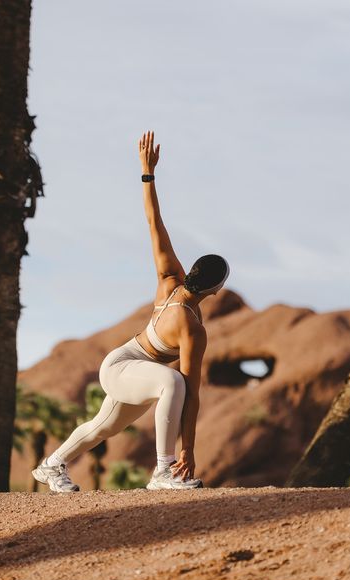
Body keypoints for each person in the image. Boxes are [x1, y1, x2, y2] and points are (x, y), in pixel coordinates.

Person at [32, 131, 230, 492]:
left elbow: (155, 223)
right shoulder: (192, 327)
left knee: (103, 426)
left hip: (131, 367)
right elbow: (191, 391)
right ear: (216, 290)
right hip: (124, 365)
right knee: (172, 382)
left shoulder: (171, 279)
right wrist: (187, 450)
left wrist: (147, 173)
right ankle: (162, 471)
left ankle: (51, 465)